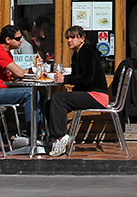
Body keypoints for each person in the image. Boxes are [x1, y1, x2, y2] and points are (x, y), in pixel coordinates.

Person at [45, 25, 109, 157]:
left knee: (58, 99)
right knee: (50, 103)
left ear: (82, 39)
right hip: (88, 93)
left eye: (73, 37)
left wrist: (66, 79)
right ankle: (51, 140)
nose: (69, 40)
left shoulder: (87, 52)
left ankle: (60, 137)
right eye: (68, 38)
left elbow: (87, 78)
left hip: (97, 95)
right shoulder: (77, 55)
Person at [0, 24, 34, 136]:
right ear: (7, 40)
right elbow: (19, 73)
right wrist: (24, 72)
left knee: (35, 93)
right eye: (18, 38)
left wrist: (29, 71)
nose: (21, 41)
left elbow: (15, 74)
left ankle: (36, 132)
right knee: (31, 94)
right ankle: (30, 134)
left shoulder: (6, 52)